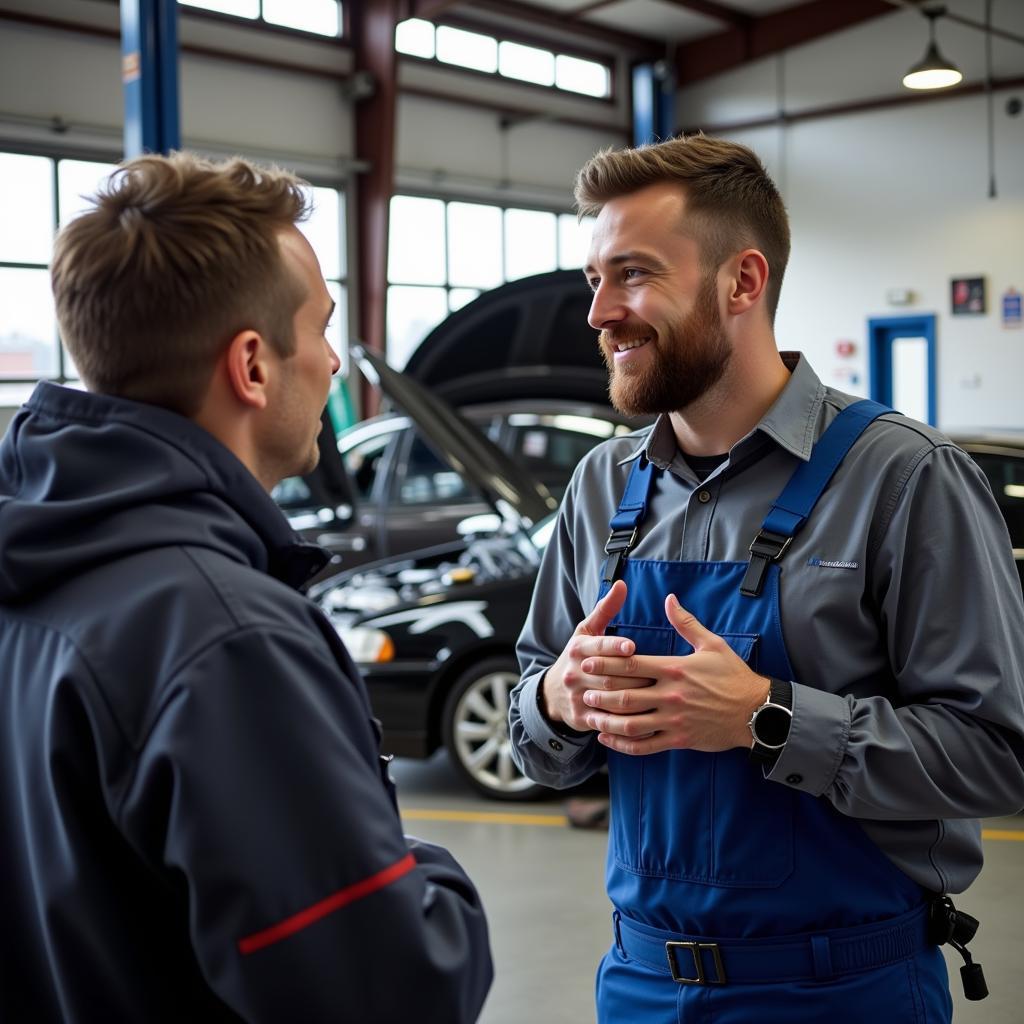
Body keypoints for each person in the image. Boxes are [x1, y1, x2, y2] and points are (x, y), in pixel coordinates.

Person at [509, 134, 1024, 1022]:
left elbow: (999, 754)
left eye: (631, 274)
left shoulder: (904, 478)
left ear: (743, 282)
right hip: (639, 985)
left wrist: (767, 717)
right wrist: (557, 699)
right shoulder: (601, 486)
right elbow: (533, 733)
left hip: (844, 989)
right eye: (594, 278)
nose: (598, 313)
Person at [0, 152, 492, 1023]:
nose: (337, 363)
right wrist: (421, 870)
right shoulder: (226, 639)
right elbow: (390, 992)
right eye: (323, 327)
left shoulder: (33, 573)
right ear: (253, 366)